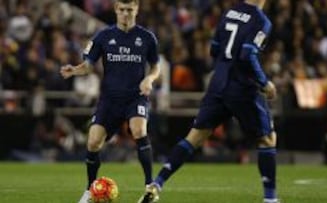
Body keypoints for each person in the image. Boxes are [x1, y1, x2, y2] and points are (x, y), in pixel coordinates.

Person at [138, 0, 279, 203]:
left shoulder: (230, 13)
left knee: (194, 138)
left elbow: (214, 49)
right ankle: (271, 199)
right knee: (267, 139)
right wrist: (265, 83)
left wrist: (224, 68)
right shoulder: (261, 20)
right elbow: (248, 54)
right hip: (242, 88)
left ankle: (157, 183)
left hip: (218, 83)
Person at [59, 0, 160, 202]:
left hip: (135, 97)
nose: (125, 14)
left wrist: (149, 78)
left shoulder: (147, 38)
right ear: (115, 9)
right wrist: (75, 70)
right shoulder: (103, 36)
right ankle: (90, 189)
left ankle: (150, 188)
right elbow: (88, 65)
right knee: (93, 141)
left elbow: (156, 66)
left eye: (130, 10)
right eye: (122, 10)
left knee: (139, 130)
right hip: (109, 99)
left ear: (137, 10)